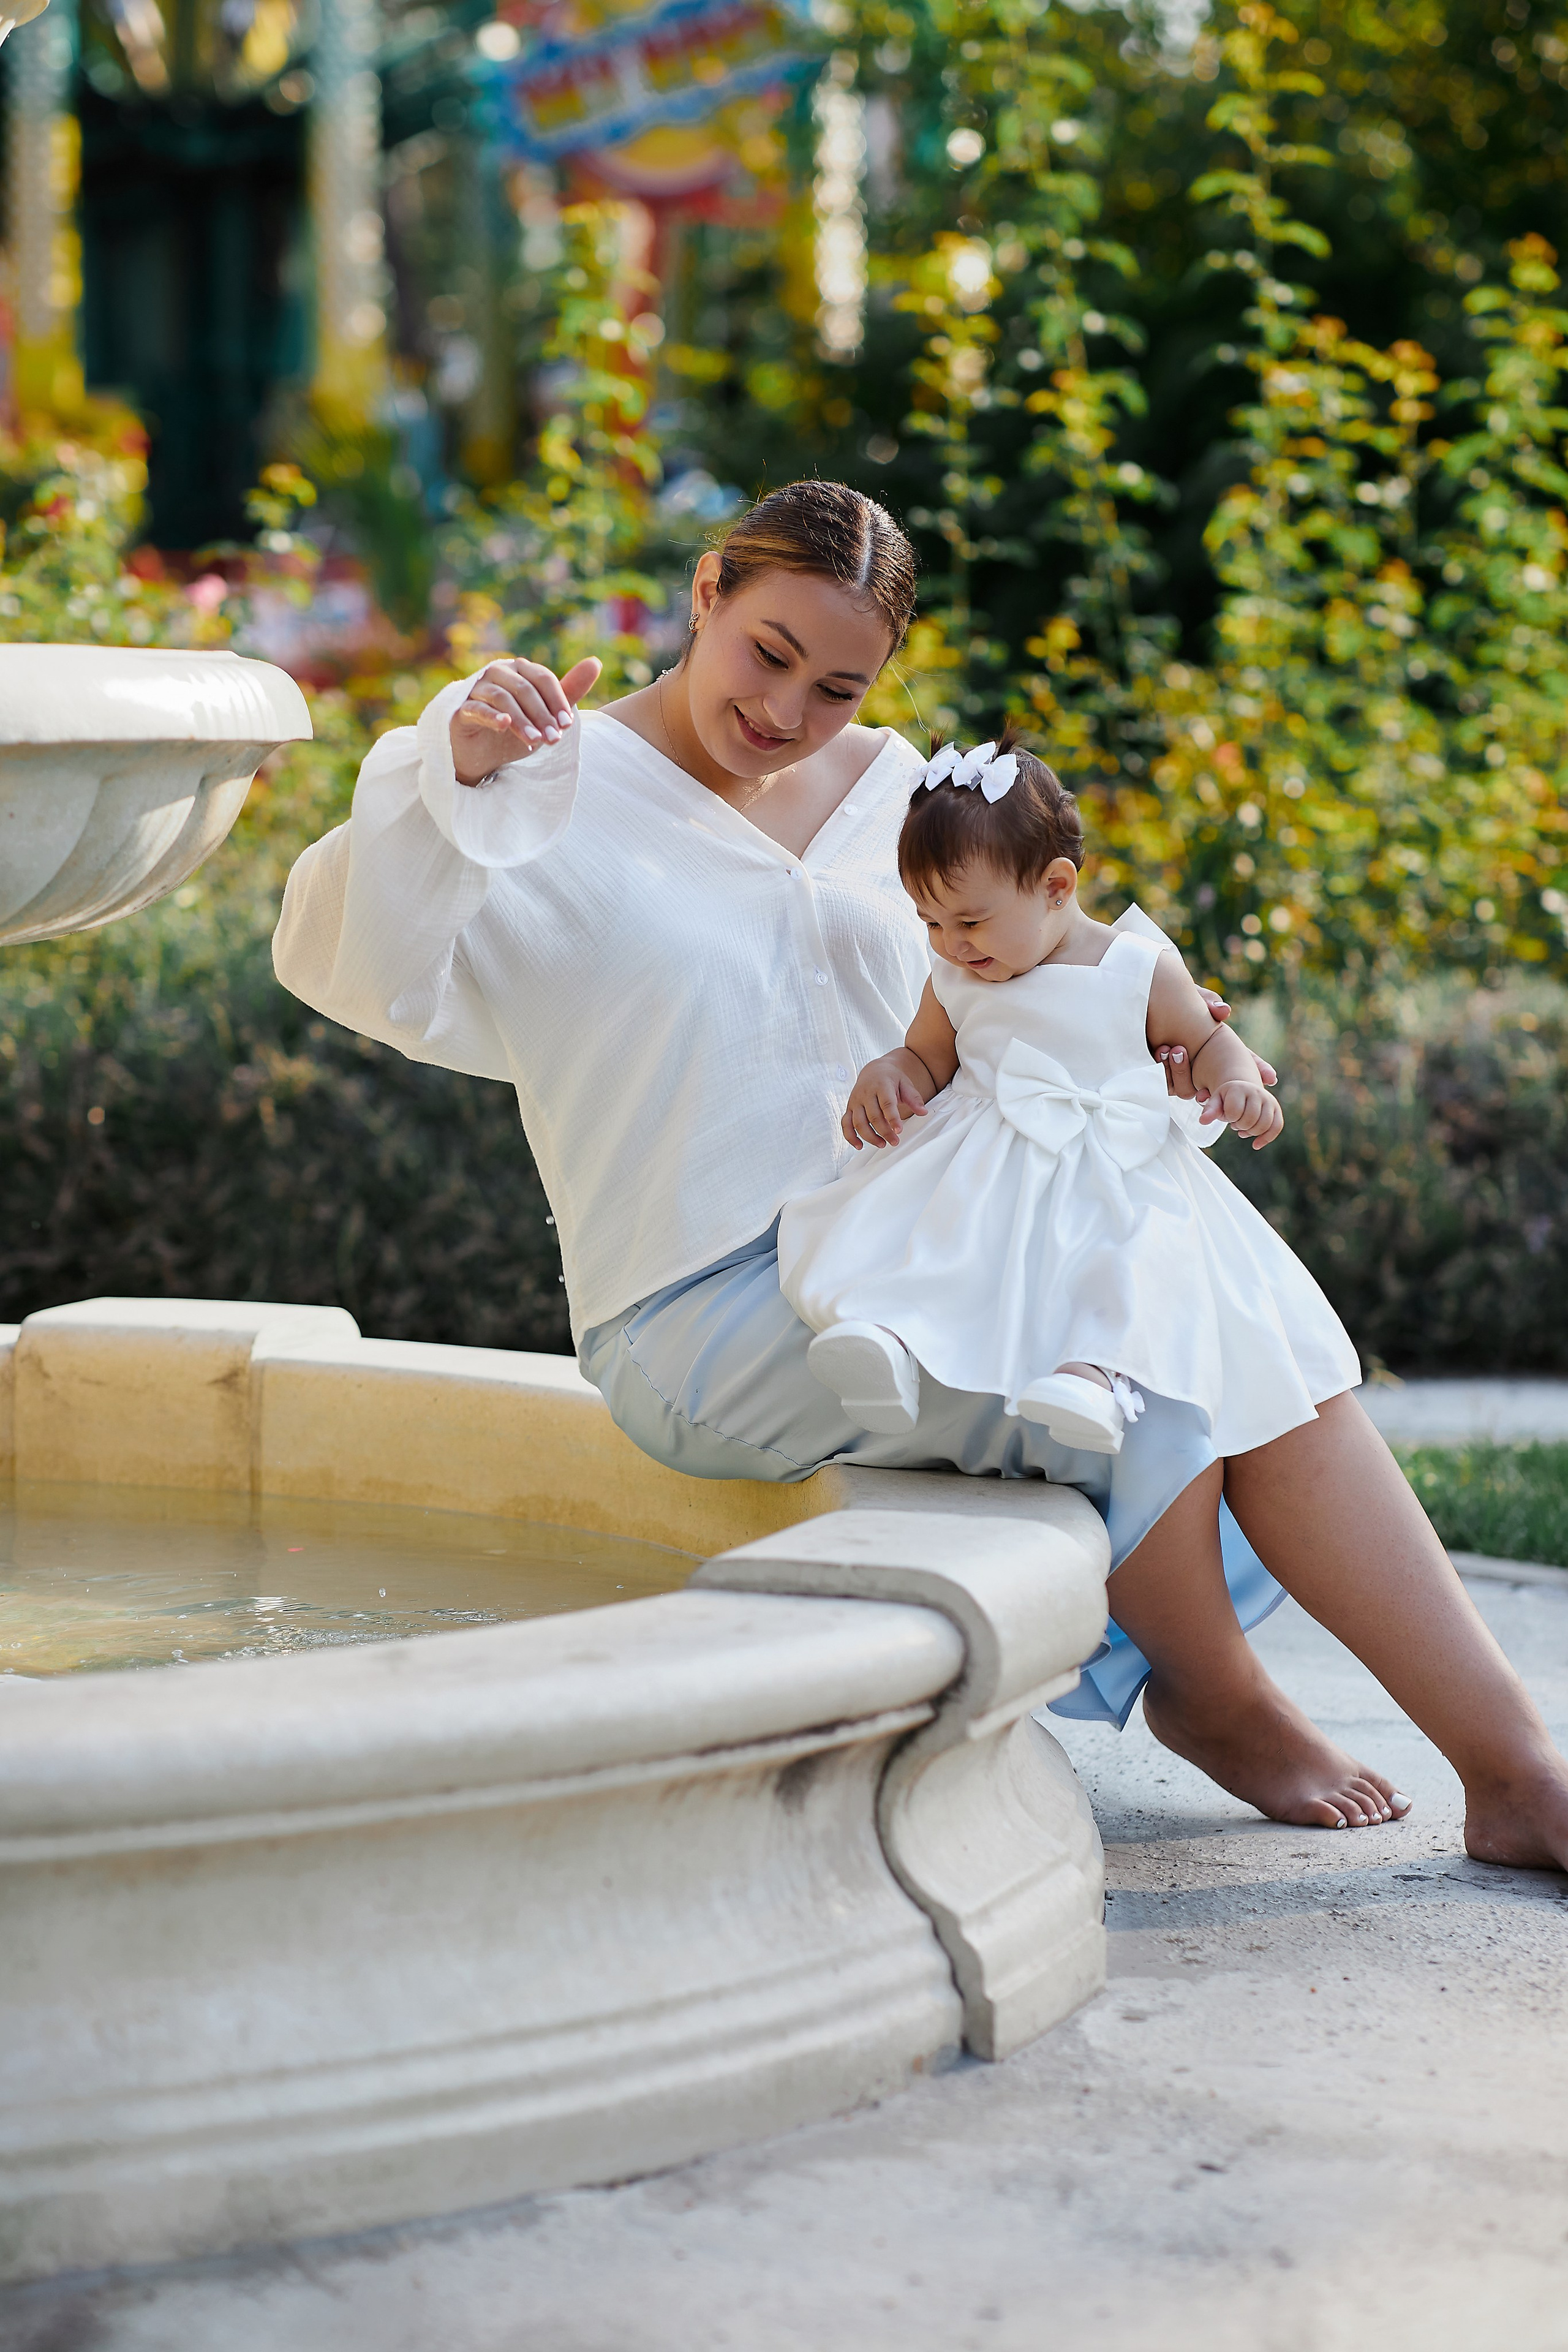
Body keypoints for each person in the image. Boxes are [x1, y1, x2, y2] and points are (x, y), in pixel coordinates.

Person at [273, 478, 1568, 1869]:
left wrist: (1163, 1033)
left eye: (836, 685)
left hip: (946, 1230)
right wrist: (456, 776)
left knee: (1235, 1301)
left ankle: (1514, 1769)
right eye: (767, 652)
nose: (786, 711)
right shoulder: (536, 787)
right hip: (708, 1303)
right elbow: (350, 966)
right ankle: (1220, 1697)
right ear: (706, 592)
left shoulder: (904, 794)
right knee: (1131, 1368)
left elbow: (1036, 965)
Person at [778, 730, 1357, 1463]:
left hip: (1111, 1161)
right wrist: (892, 1074)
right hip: (981, 1154)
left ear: (1056, 887)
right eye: (930, 922)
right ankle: (887, 1343)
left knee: (1124, 1257)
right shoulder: (955, 976)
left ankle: (1095, 1378)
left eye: (970, 921)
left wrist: (1237, 1083)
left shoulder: (1137, 967)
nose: (951, 943)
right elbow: (927, 1056)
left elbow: (1207, 1039)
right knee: (936, 1236)